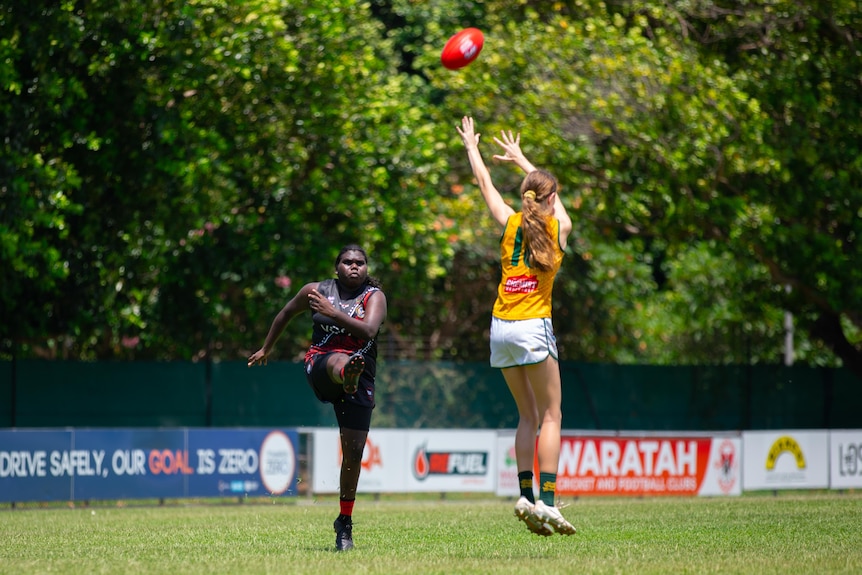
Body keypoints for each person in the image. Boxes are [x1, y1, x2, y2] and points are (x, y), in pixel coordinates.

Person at [456, 116, 576, 536]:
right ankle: (547, 501)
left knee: (526, 415)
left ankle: (524, 495)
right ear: (552, 198)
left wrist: (473, 147)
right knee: (551, 415)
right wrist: (524, 160)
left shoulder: (510, 224)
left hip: (501, 328)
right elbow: (552, 200)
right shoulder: (559, 229)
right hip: (532, 328)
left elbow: (486, 187)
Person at [247, 244, 387, 551]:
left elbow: (368, 330)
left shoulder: (373, 297)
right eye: (347, 262)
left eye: (360, 263)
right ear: (336, 267)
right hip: (321, 364)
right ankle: (345, 373)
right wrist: (267, 348)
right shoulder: (317, 291)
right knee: (339, 360)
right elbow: (285, 313)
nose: (354, 267)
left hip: (362, 376)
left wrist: (332, 313)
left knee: (352, 454)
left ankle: (344, 524)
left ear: (366, 268)